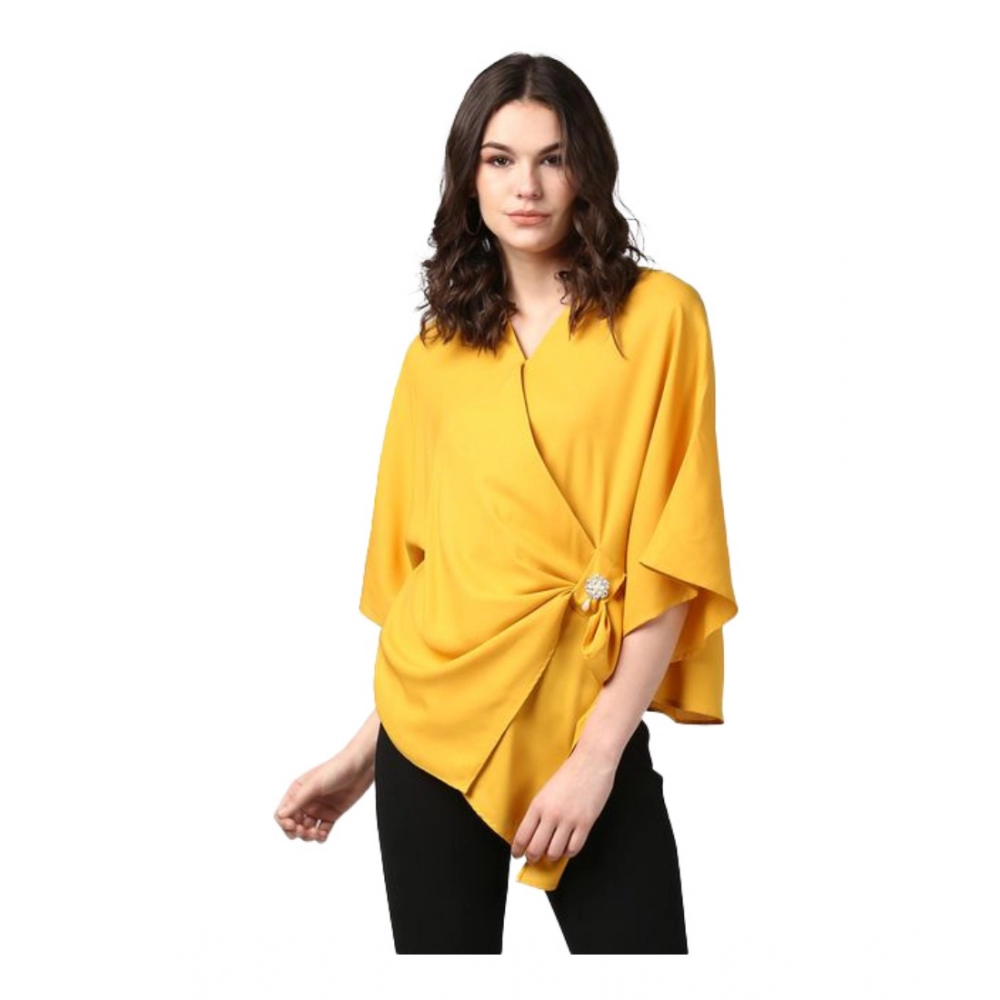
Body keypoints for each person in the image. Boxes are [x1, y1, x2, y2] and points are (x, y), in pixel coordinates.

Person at [274, 52, 738, 955]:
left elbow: (673, 555)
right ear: (469, 175)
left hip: (585, 722)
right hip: (426, 747)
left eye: (551, 158)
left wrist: (598, 759)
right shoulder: (435, 353)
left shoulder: (662, 317)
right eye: (500, 159)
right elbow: (436, 585)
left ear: (586, 171)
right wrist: (364, 755)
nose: (526, 186)